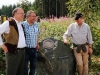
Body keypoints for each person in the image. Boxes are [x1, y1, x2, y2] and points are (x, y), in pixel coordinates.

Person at [0, 7, 26, 75]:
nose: (23, 15)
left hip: (22, 52)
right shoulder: (8, 23)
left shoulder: (21, 24)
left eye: (24, 13)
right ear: (15, 14)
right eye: (21, 13)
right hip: (13, 52)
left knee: (20, 73)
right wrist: (2, 45)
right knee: (11, 73)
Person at [22, 10, 40, 75]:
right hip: (25, 49)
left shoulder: (36, 24)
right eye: (33, 16)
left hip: (34, 49)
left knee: (33, 66)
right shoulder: (23, 25)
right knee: (25, 68)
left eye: (35, 16)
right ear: (28, 17)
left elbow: (37, 34)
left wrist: (37, 43)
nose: (35, 18)